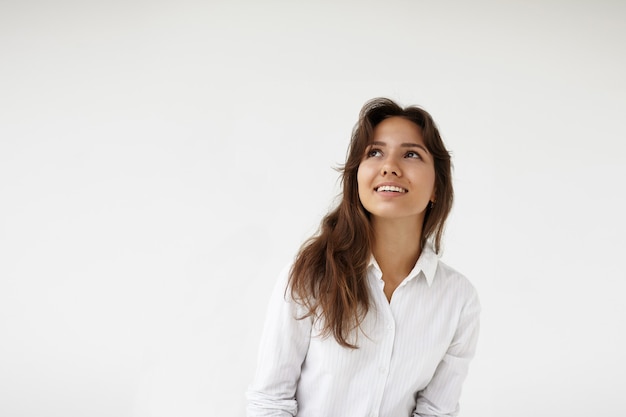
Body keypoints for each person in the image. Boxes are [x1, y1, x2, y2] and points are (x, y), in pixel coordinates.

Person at [246, 98, 480, 417]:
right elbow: (270, 403)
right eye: (374, 152)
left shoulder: (458, 298)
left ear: (437, 186)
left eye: (411, 153)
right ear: (357, 177)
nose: (390, 166)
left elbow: (436, 411)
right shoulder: (309, 275)